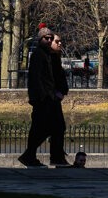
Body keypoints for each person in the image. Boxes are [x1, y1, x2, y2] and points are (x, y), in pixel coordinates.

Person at [19, 27, 71, 168]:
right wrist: (48, 95)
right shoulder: (39, 55)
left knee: (56, 127)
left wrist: (59, 92)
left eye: (50, 38)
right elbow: (38, 79)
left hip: (49, 98)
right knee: (44, 128)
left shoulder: (49, 55)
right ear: (40, 39)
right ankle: (31, 156)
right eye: (46, 38)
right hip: (44, 99)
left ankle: (53, 157)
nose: (49, 40)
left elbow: (54, 79)